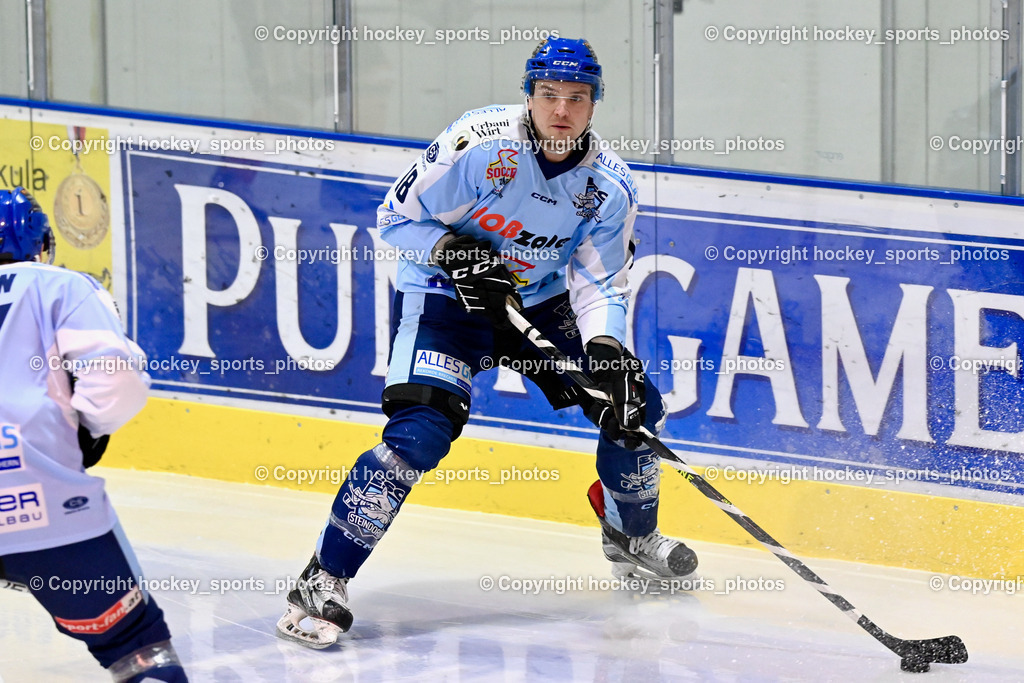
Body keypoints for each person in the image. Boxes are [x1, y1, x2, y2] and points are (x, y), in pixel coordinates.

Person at [277, 37, 698, 649]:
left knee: (633, 408)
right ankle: (323, 579)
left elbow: (601, 280)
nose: (561, 109)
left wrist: (608, 350)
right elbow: (395, 220)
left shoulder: (610, 187)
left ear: (594, 105)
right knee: (418, 435)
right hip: (447, 298)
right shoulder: (478, 145)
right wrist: (454, 253)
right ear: (528, 95)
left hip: (540, 304)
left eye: (577, 98)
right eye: (549, 94)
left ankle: (629, 534)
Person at [0, 187, 187, 682]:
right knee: (136, 648)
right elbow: (115, 379)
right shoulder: (58, 286)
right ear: (38, 244)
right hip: (42, 503)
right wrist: (85, 433)